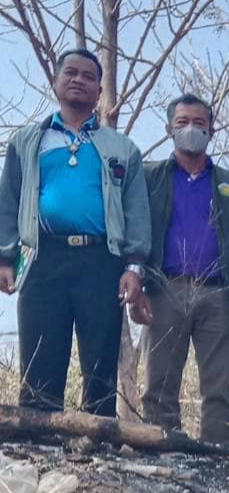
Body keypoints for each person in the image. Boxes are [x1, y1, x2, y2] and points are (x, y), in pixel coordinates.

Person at [0, 48, 150, 416]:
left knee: (100, 355)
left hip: (102, 259)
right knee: (41, 351)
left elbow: (136, 210)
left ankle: (98, 435)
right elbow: (8, 200)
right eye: (71, 72)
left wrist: (134, 267)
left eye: (88, 75)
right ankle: (36, 437)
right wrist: (5, 256)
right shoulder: (27, 142)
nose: (78, 80)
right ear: (55, 81)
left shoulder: (121, 148)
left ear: (99, 90)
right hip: (42, 256)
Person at [134, 93, 229, 442]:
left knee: (218, 384)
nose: (191, 129)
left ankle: (221, 454)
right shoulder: (149, 177)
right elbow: (135, 229)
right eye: (182, 122)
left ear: (212, 129)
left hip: (219, 292)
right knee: (160, 381)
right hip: (164, 289)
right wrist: (137, 281)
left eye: (199, 122)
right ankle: (161, 444)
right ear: (169, 127)